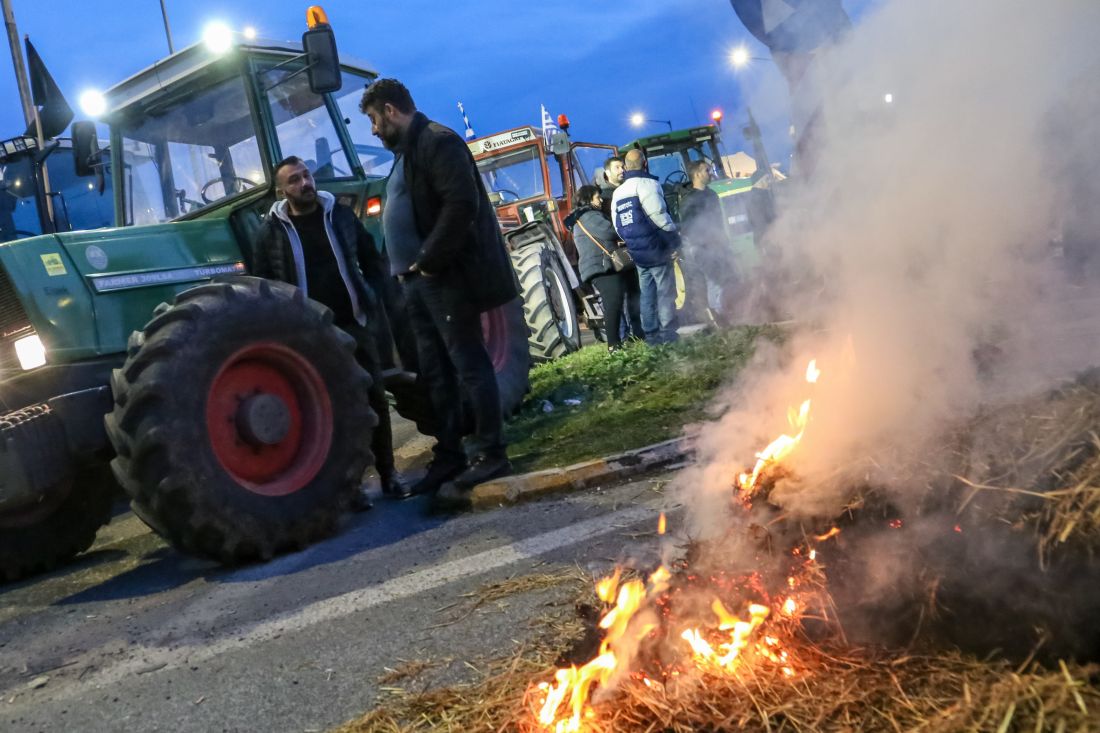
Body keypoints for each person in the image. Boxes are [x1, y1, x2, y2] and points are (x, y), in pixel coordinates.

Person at [359, 78, 519, 507]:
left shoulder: (438, 142)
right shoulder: (406, 155)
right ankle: (449, 454)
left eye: (374, 120)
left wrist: (428, 260)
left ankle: (491, 452)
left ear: (391, 111)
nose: (373, 130)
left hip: (443, 277)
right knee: (436, 373)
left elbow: (460, 206)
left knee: (468, 364)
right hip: (417, 283)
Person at [250, 156, 411, 510]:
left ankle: (389, 474)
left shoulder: (338, 215)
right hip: (312, 336)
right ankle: (350, 487)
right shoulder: (271, 232)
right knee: (332, 411)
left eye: (306, 175)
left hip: (354, 322)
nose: (304, 184)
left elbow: (370, 259)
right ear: (281, 190)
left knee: (374, 401)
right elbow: (264, 282)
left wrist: (375, 296)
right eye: (294, 180)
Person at [611, 149, 680, 344]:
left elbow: (618, 226)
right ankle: (669, 335)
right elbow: (658, 216)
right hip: (657, 250)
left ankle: (651, 336)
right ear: (645, 163)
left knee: (647, 296)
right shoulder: (649, 184)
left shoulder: (618, 192)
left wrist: (634, 243)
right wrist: (674, 240)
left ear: (625, 167)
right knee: (665, 293)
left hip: (638, 253)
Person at [565, 184, 643, 352]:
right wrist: (625, 227)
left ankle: (629, 337)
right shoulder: (589, 216)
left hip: (601, 266)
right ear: (587, 199)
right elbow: (609, 232)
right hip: (601, 267)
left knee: (617, 301)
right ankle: (614, 345)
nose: (600, 200)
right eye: (596, 197)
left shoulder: (584, 217)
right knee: (613, 304)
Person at [679, 160, 731, 322]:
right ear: (697, 174)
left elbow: (717, 220)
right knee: (714, 280)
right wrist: (705, 240)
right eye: (707, 171)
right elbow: (687, 228)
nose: (711, 173)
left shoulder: (711, 194)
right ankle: (717, 316)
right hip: (702, 247)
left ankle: (720, 313)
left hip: (716, 244)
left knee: (721, 279)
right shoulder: (689, 200)